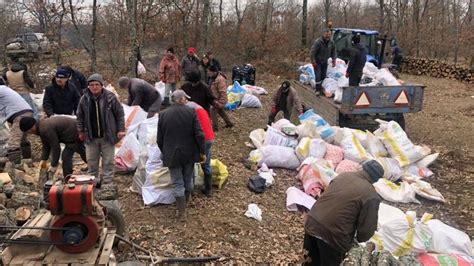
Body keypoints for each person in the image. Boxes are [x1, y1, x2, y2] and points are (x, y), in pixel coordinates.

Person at [303, 160, 383, 266]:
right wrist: (358, 239)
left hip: (312, 221)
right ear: (376, 179)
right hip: (333, 236)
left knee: (310, 262)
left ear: (363, 168)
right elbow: (367, 230)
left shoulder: (343, 176)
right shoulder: (371, 195)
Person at [157, 90, 205, 221]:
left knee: (177, 183)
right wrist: (201, 151)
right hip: (189, 153)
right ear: (181, 99)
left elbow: (159, 139)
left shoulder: (162, 114)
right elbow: (199, 134)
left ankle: (181, 211)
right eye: (185, 98)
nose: (186, 101)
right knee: (188, 179)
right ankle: (186, 203)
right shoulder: (191, 112)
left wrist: (165, 151)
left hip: (171, 154)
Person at [76, 74, 125, 184]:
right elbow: (79, 116)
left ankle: (107, 183)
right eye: (91, 85)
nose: (94, 87)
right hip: (91, 137)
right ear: (88, 86)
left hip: (107, 136)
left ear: (101, 85)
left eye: (97, 84)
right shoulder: (84, 99)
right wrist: (80, 131)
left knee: (108, 161)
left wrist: (121, 129)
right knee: (92, 161)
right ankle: (92, 182)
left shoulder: (110, 97)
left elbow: (120, 114)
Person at [19, 116, 87, 178]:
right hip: (73, 131)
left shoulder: (45, 129)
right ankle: (91, 164)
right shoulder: (41, 126)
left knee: (66, 156)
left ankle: (68, 178)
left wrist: (53, 165)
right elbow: (46, 145)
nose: (30, 133)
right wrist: (43, 159)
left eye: (28, 131)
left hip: (73, 133)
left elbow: (56, 148)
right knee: (81, 150)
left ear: (31, 127)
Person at [186, 101, 214, 197]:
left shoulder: (189, 111)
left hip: (201, 139)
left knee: (191, 163)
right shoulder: (200, 108)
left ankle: (191, 189)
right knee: (206, 164)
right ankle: (208, 190)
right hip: (210, 138)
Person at [0, 84, 34, 165]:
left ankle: (15, 167)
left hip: (19, 115)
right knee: (22, 139)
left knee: (13, 143)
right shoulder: (4, 88)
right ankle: (27, 161)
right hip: (27, 111)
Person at [208, 65, 233, 131]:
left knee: (213, 110)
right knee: (220, 111)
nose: (208, 73)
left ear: (214, 72)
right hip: (215, 98)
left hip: (220, 99)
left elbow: (223, 92)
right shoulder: (212, 78)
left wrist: (221, 102)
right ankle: (229, 123)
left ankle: (215, 128)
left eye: (210, 71)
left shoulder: (220, 79)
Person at [310, 29, 336, 94]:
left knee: (323, 76)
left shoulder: (331, 43)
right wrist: (313, 61)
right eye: (327, 35)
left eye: (329, 35)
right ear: (323, 34)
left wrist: (334, 60)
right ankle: (317, 90)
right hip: (317, 62)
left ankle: (322, 88)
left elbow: (334, 52)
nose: (328, 36)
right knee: (318, 75)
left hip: (325, 62)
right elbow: (312, 53)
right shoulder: (318, 42)